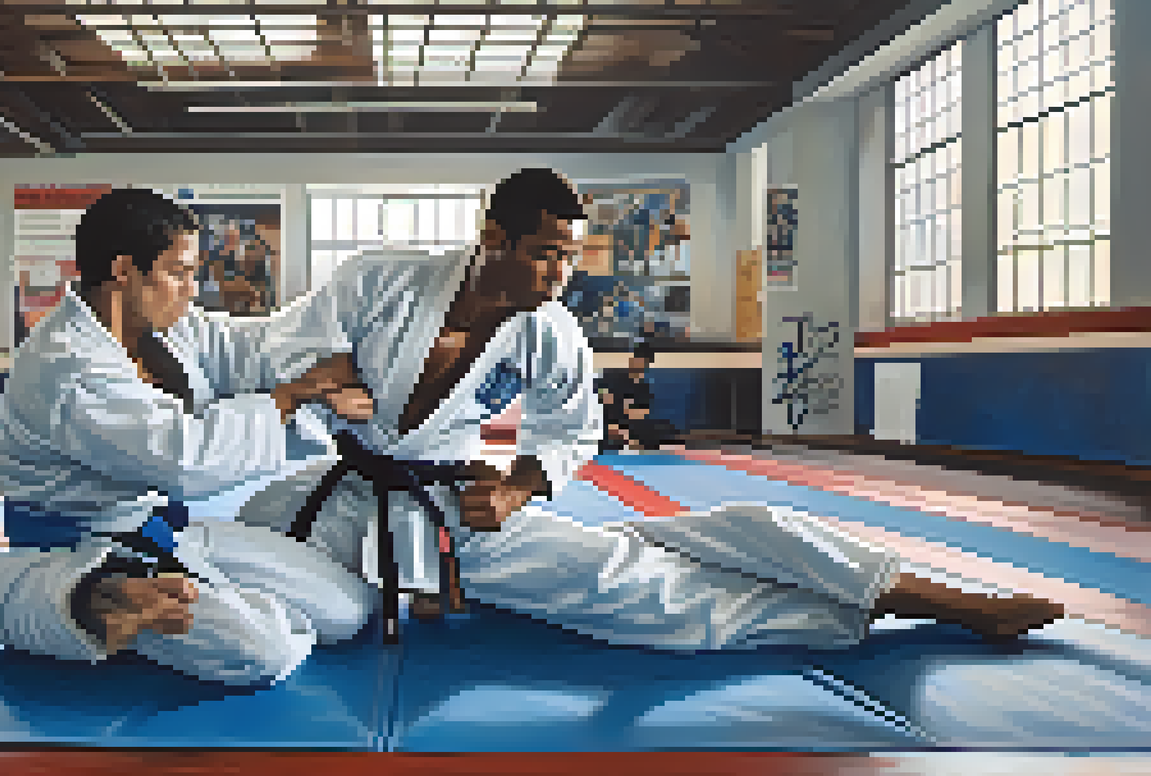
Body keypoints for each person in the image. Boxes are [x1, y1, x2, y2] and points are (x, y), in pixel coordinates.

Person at [227, 166, 1064, 653]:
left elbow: (572, 429)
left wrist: (519, 485)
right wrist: (328, 378)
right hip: (358, 499)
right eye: (545, 254)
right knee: (651, 598)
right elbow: (286, 344)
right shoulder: (382, 279)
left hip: (464, 505)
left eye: (568, 257)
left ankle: (935, 598)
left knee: (732, 530)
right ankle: (851, 616)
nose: (560, 275)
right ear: (493, 238)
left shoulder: (550, 330)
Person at [0, 187, 380, 685]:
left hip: (161, 528)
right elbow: (182, 458)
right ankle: (46, 594)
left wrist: (328, 365)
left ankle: (181, 591)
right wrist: (289, 398)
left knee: (348, 610)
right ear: (123, 271)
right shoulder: (68, 363)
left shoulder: (160, 329)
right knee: (263, 650)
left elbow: (246, 350)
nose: (191, 288)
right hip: (80, 542)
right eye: (178, 272)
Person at [596, 341, 678, 451]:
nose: (640, 365)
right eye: (638, 360)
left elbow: (640, 413)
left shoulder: (643, 388)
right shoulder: (611, 375)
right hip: (605, 423)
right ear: (632, 360)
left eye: (644, 363)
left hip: (627, 427)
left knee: (660, 428)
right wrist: (612, 424)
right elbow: (596, 395)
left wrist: (627, 433)